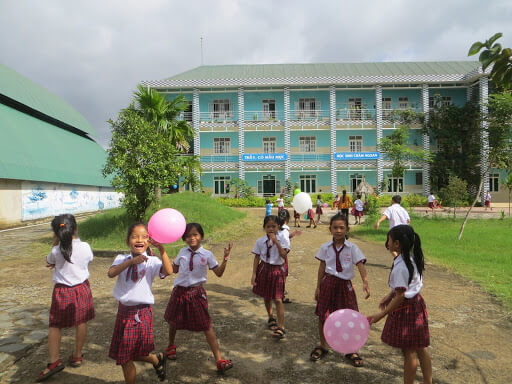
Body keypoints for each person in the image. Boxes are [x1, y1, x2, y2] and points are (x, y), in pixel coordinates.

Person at [108, 222, 173, 383]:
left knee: (125, 357)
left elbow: (169, 271)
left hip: (141, 314)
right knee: (127, 353)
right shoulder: (121, 258)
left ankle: (155, 360)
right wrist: (131, 262)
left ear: (149, 241)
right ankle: (156, 359)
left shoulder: (152, 261)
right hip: (123, 312)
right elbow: (111, 273)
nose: (139, 240)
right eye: (135, 236)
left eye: (144, 237)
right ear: (128, 240)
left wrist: (162, 250)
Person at [163, 223, 233, 373]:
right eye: (188, 235)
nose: (192, 238)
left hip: (196, 294)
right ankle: (170, 346)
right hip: (179, 292)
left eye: (195, 234)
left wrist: (226, 258)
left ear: (201, 236)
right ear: (184, 238)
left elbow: (219, 273)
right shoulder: (182, 251)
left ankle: (219, 360)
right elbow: (173, 270)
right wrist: (160, 257)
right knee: (173, 321)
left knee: (206, 325)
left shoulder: (207, 255)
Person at [368, 225, 432, 384]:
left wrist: (381, 315)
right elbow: (405, 286)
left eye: (388, 239)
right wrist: (390, 295)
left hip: (407, 309)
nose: (386, 242)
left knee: (409, 351)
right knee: (421, 348)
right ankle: (428, 381)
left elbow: (401, 295)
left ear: (396, 244)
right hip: (416, 304)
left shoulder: (402, 266)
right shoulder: (410, 258)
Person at [37, 214, 95, 382]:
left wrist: (56, 242)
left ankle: (54, 361)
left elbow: (49, 261)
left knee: (55, 325)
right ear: (75, 228)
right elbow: (88, 260)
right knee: (81, 321)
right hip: (82, 288)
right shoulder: (85, 246)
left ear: (56, 233)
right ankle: (77, 355)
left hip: (62, 291)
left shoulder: (56, 250)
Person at [310, 213, 370, 367]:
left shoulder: (352, 248)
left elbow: (360, 265)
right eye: (335, 227)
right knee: (324, 315)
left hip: (345, 285)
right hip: (328, 284)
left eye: (341, 228)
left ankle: (351, 349)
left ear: (347, 229)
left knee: (350, 317)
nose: (338, 230)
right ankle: (323, 345)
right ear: (330, 229)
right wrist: (317, 286)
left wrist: (365, 282)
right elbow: (322, 267)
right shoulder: (325, 247)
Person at [251, 215, 290, 339]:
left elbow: (284, 255)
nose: (271, 229)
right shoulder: (260, 241)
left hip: (277, 270)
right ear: (264, 228)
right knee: (266, 296)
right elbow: (256, 257)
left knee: (278, 299)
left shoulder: (283, 239)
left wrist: (276, 242)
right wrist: (254, 274)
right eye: (268, 226)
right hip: (264, 269)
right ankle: (271, 317)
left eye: (273, 226)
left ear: (278, 227)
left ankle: (281, 326)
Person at [277, 209, 301, 304]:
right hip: (282, 256)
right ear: (287, 219)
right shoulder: (285, 230)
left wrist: (292, 235)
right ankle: (281, 295)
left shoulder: (276, 227)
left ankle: (277, 292)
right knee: (283, 275)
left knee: (277, 274)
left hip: (275, 254)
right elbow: (286, 246)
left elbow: (282, 238)